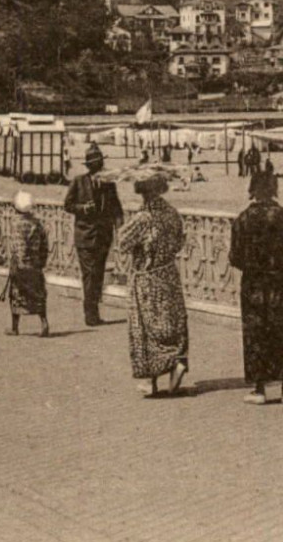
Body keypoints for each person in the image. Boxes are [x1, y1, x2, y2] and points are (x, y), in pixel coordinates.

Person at [231, 171, 283, 404]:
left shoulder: (243, 219)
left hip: (254, 284)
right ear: (274, 189)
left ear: (252, 190)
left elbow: (235, 257)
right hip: (281, 282)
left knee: (256, 334)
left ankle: (260, 389)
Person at [120, 175, 189, 397]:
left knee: (146, 325)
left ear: (143, 192)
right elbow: (180, 242)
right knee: (171, 321)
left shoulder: (143, 218)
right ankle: (177, 360)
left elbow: (122, 242)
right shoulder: (172, 214)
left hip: (147, 277)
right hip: (168, 274)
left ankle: (150, 381)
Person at [63, 143, 123, 326]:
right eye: (95, 165)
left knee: (97, 274)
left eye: (100, 165)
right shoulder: (78, 182)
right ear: (89, 167)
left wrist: (121, 228)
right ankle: (90, 313)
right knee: (89, 274)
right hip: (85, 236)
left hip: (103, 237)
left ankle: (94, 312)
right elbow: (68, 205)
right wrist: (83, 209)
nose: (99, 168)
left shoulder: (109, 184)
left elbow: (116, 208)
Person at [3, 191, 50, 337]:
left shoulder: (15, 224)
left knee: (16, 295)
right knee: (39, 294)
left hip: (21, 264)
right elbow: (45, 245)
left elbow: (18, 246)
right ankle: (44, 323)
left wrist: (17, 263)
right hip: (35, 265)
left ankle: (15, 327)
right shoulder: (37, 224)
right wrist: (41, 262)